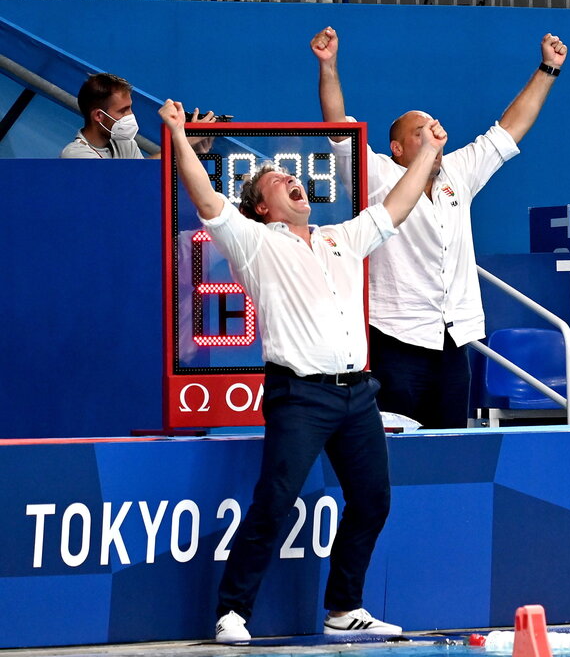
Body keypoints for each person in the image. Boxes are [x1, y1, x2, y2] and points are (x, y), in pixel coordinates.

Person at [161, 96, 446, 641]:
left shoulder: (342, 238)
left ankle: (343, 608)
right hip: (300, 396)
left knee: (373, 499)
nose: (289, 178)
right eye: (274, 178)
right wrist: (177, 134)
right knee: (274, 500)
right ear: (262, 208)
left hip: (358, 394)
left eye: (290, 173)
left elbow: (398, 206)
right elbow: (204, 196)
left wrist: (429, 150)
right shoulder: (254, 244)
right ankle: (233, 613)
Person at [314, 27, 566, 429]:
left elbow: (509, 129)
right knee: (397, 452)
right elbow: (337, 131)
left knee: (451, 451)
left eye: (434, 125)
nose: (434, 132)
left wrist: (548, 69)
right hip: (396, 339)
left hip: (453, 340)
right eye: (420, 131)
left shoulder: (458, 172)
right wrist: (328, 66)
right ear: (396, 148)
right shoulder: (378, 174)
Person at [61, 72, 216, 159]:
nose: (130, 115)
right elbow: (123, 181)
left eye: (130, 108)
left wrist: (192, 152)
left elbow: (147, 176)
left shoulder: (124, 143)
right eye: (123, 110)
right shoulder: (75, 154)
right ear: (99, 116)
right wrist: (183, 141)